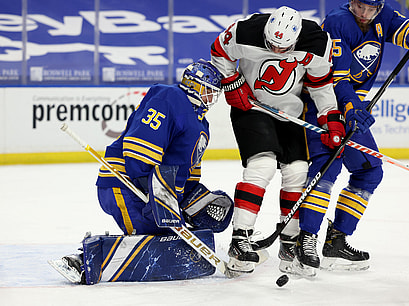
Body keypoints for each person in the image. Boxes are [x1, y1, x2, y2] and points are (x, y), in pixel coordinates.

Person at [50, 59, 235, 284]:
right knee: (158, 243)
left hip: (157, 195)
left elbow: (185, 177)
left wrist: (194, 201)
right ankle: (80, 260)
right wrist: (153, 193)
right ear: (194, 84)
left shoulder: (201, 125)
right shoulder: (170, 97)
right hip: (125, 185)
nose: (212, 97)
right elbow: (140, 149)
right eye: (209, 91)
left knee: (173, 243)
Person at [295, 0, 409, 276]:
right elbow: (338, 79)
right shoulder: (338, 21)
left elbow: (403, 29)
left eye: (370, 9)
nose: (363, 14)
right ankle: (304, 240)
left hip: (352, 107)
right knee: (326, 168)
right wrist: (352, 108)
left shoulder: (384, 15)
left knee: (369, 171)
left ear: (379, 7)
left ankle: (336, 240)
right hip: (323, 104)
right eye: (358, 6)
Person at [210, 6, 345, 275]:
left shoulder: (317, 42)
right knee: (263, 166)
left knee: (297, 171)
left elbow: (320, 84)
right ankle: (240, 238)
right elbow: (218, 51)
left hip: (291, 113)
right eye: (272, 44)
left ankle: (289, 243)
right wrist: (232, 80)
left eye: (283, 47)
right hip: (252, 108)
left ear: (296, 39)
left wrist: (330, 116)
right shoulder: (245, 31)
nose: (277, 51)